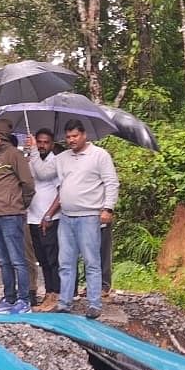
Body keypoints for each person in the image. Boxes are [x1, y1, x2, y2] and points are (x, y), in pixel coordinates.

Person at [45, 120, 119, 319]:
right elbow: (43, 173)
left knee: (91, 261)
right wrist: (33, 152)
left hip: (89, 216)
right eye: (68, 137)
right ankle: (64, 302)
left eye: (75, 136)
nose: (71, 140)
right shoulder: (62, 158)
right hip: (67, 216)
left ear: (84, 135)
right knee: (66, 262)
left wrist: (108, 208)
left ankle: (94, 304)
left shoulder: (99, 155)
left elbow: (111, 183)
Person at [0, 119, 35, 314]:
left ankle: (24, 300)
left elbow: (28, 184)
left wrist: (21, 204)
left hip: (11, 215)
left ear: (2, 135)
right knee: (3, 261)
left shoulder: (15, 155)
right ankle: (10, 297)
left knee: (17, 259)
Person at [28, 128, 62, 311]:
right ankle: (48, 293)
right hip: (32, 218)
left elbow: (61, 193)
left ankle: (56, 293)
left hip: (50, 218)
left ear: (52, 145)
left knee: (52, 258)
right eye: (39, 141)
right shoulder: (32, 160)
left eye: (45, 142)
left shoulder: (54, 162)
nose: (41, 145)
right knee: (41, 259)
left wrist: (49, 214)